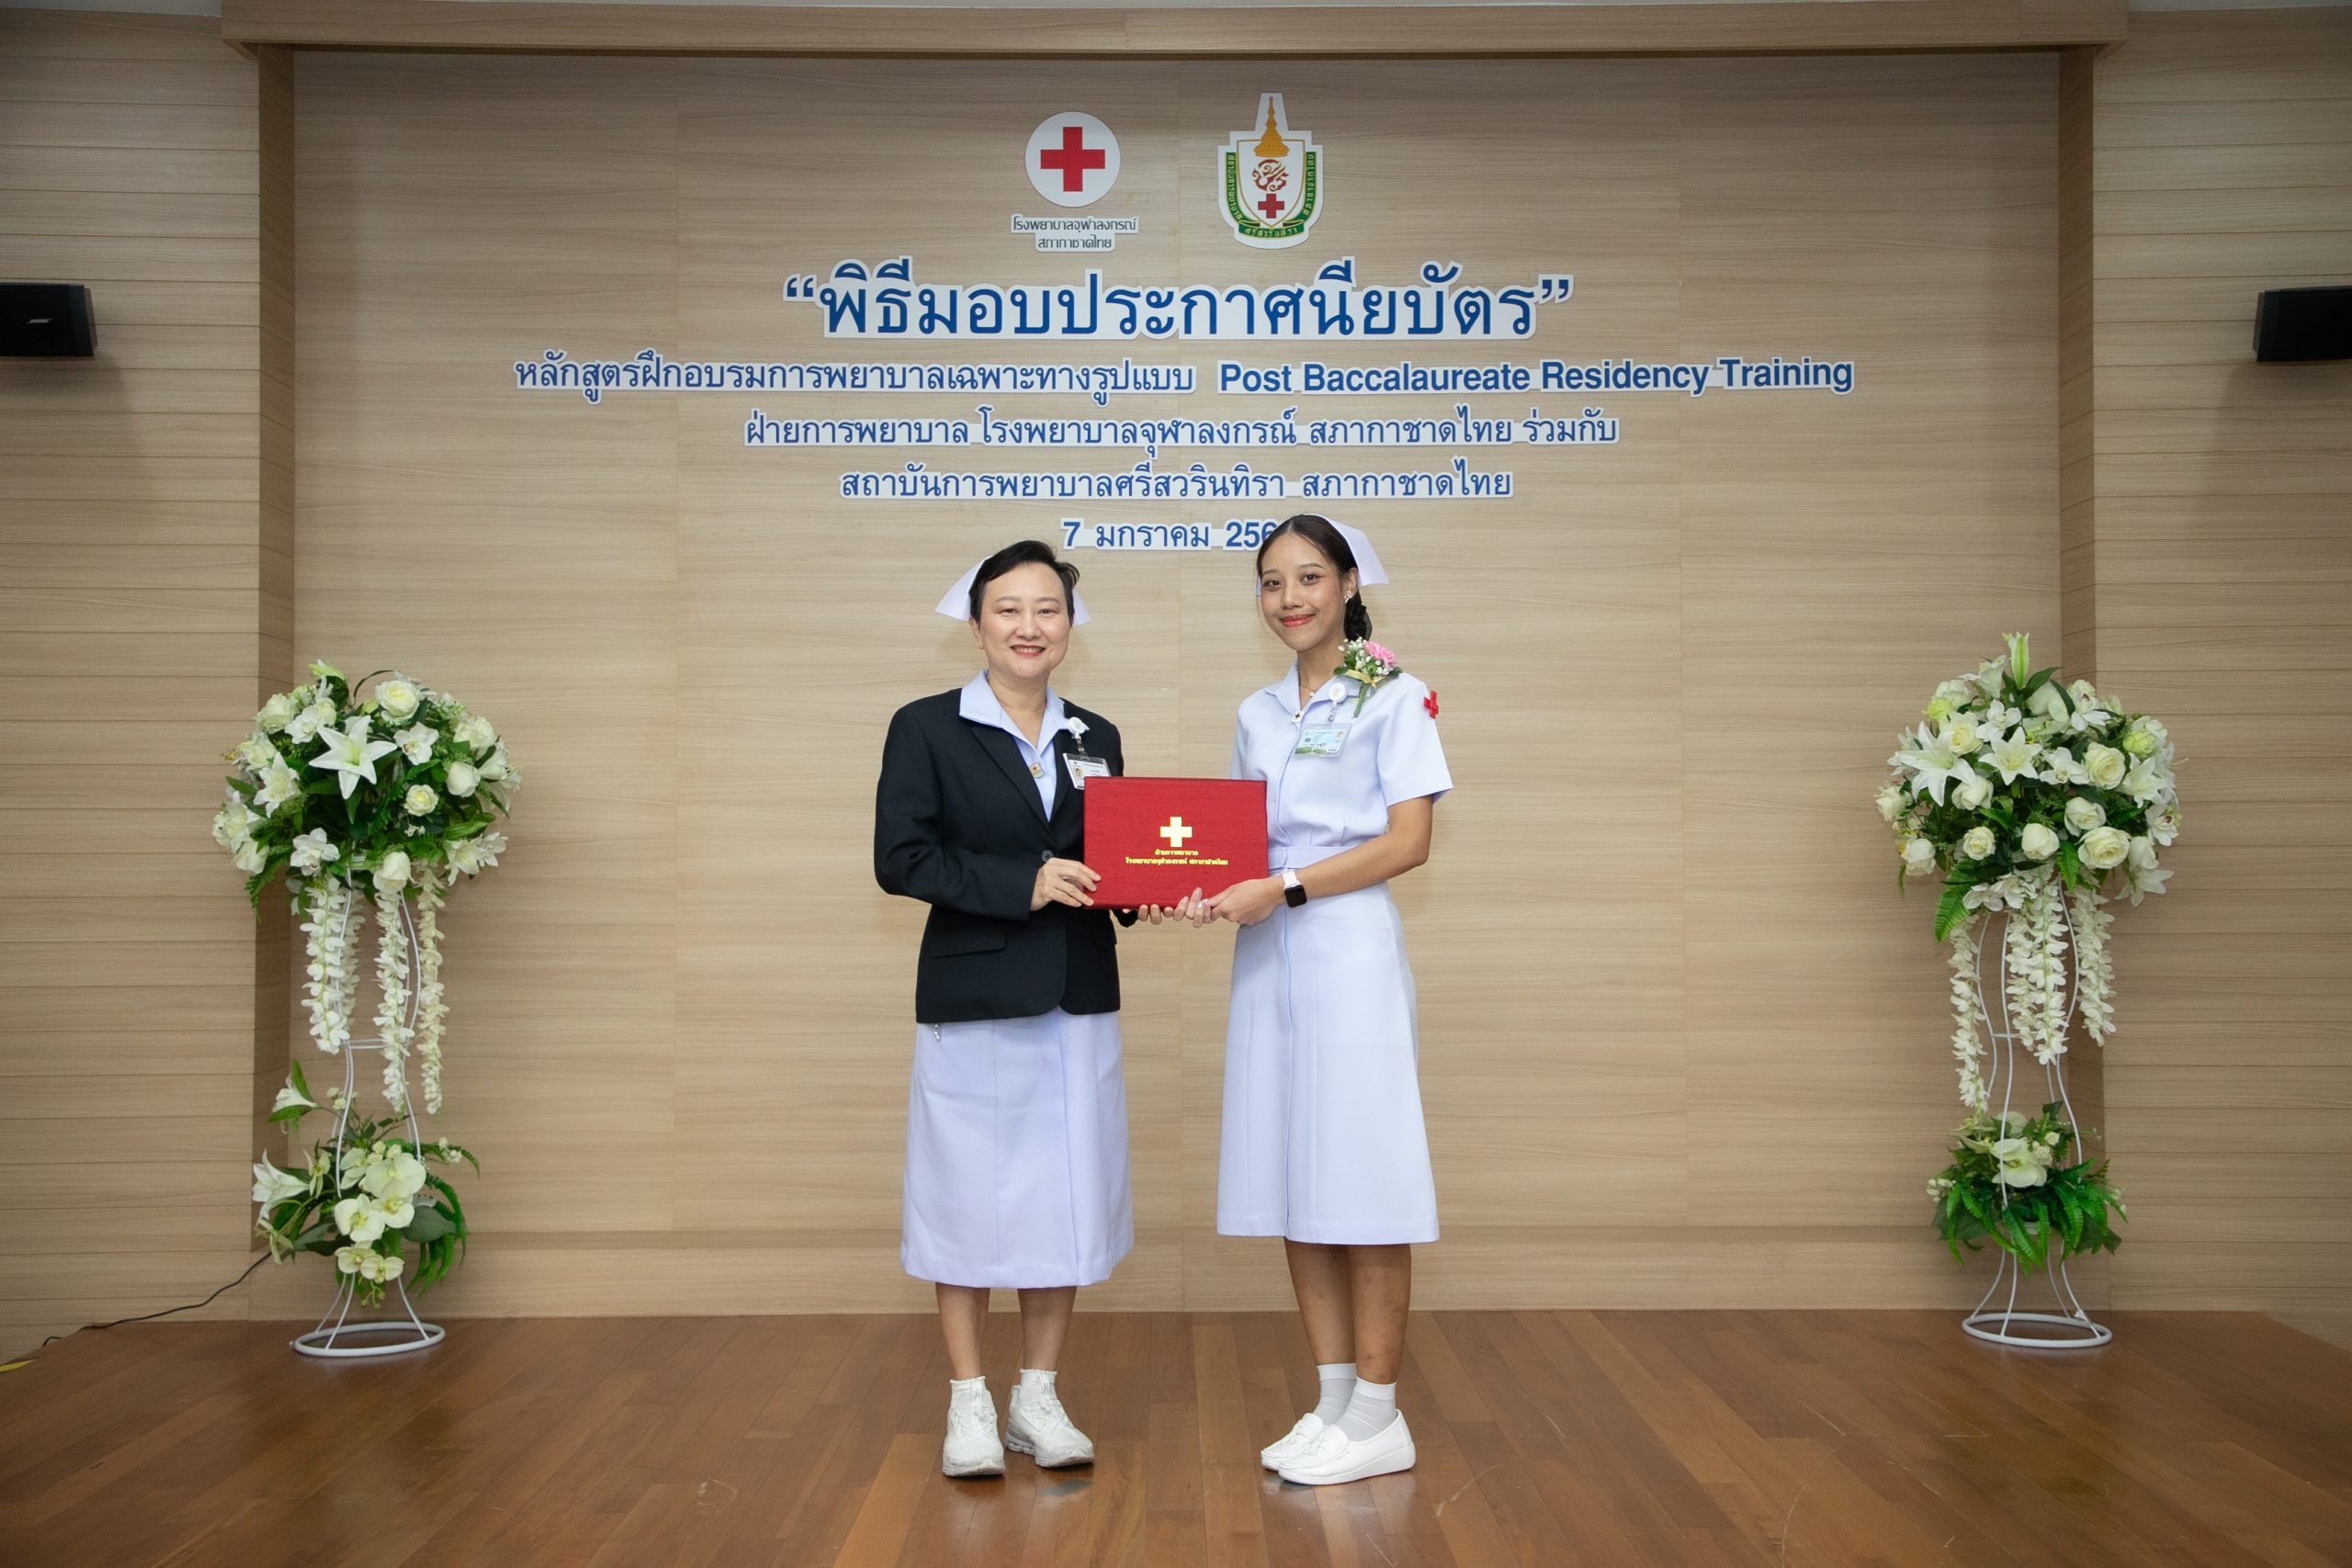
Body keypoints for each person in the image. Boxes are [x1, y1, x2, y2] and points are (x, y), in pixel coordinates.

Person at [875, 539, 1174, 1480]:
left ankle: (1036, 1397)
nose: (1029, 626)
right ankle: (968, 1400)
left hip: (1075, 996)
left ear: (1069, 624)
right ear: (976, 625)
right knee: (962, 1198)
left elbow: (1111, 860)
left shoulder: (1096, 734)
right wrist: (1025, 881)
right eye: (1008, 609)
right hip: (972, 998)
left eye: (1048, 609)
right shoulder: (926, 727)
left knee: (1064, 1200)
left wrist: (1152, 887)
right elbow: (901, 859)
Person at [1183, 515, 1451, 1486]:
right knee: (1297, 1173)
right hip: (1268, 958)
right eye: (1271, 581)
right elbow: (1239, 843)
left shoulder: (1395, 695)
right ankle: (1337, 1402)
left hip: (1347, 953)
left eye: (1308, 577)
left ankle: (1380, 1411)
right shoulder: (1256, 712)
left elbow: (1407, 841)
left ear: (1347, 584)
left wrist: (1284, 887)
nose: (1289, 597)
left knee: (1364, 1179)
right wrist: (1193, 882)